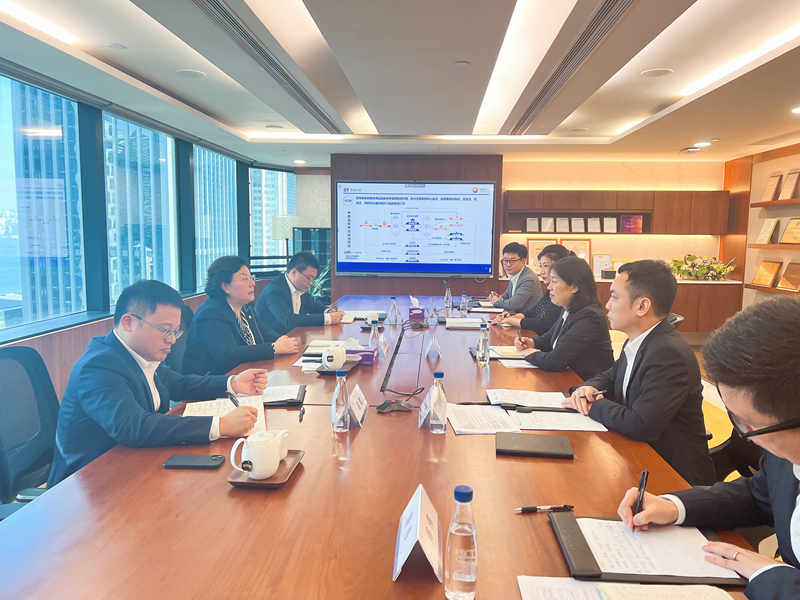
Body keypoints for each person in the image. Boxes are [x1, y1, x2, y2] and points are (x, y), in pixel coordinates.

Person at [617, 297, 800, 599]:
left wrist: (771, 575)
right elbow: (760, 494)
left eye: (749, 424)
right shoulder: (782, 453)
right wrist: (674, 506)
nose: (745, 436)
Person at [48, 280, 266, 486]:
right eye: (165, 330)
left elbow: (180, 384)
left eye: (175, 331)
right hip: (88, 485)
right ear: (128, 322)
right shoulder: (99, 366)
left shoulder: (139, 355)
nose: (172, 339)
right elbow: (134, 426)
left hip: (137, 463)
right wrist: (221, 425)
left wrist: (233, 383)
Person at [566, 260, 715, 485]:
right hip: (640, 455)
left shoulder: (667, 353)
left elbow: (641, 424)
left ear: (642, 306)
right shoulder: (639, 339)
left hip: (672, 473)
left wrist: (594, 405)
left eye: (614, 297)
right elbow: (612, 374)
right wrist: (588, 388)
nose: (607, 305)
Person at [183, 256, 300, 375]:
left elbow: (263, 332)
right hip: (217, 380)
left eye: (251, 278)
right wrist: (273, 348)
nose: (252, 283)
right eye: (244, 279)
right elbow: (229, 353)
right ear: (225, 286)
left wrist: (281, 339)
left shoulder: (245, 307)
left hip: (246, 372)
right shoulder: (211, 313)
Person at [514, 255, 613, 380]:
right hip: (567, 379)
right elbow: (549, 338)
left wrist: (528, 353)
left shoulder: (590, 317)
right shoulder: (568, 308)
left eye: (554, 281)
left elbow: (555, 361)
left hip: (585, 385)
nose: (549, 287)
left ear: (574, 286)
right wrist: (531, 342)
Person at [255, 252, 344, 337]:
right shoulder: (275, 291)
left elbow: (314, 305)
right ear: (294, 272)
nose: (311, 283)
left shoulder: (299, 287)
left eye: (313, 279)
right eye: (308, 278)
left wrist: (328, 311)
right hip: (275, 341)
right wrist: (328, 319)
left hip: (295, 336)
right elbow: (289, 321)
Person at [493, 244, 571, 333]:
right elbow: (534, 311)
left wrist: (510, 320)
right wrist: (513, 317)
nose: (541, 272)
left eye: (545, 266)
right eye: (540, 266)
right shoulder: (550, 289)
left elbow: (543, 324)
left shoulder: (529, 278)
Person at [488, 242, 542, 314]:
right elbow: (506, 296)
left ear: (523, 261)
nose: (508, 264)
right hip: (515, 316)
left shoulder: (528, 279)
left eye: (512, 261)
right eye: (505, 260)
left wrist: (496, 301)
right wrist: (496, 296)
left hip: (527, 319)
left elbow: (513, 305)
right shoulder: (515, 274)